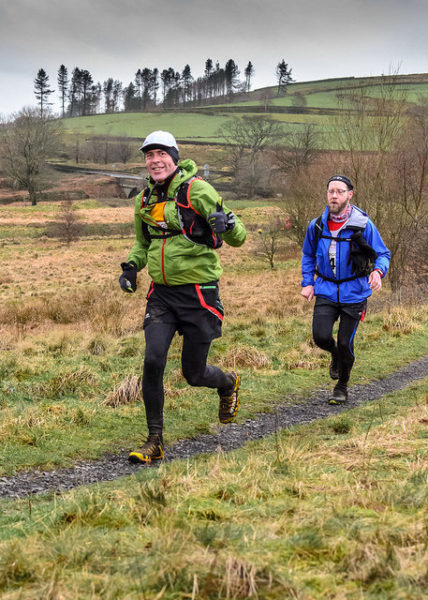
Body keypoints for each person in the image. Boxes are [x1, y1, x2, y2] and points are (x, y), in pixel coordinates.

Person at [118, 130, 247, 463]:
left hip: (198, 294)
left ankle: (227, 383)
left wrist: (226, 224)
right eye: (149, 155)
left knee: (194, 374)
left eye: (161, 154)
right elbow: (143, 243)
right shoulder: (144, 199)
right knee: (152, 361)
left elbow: (238, 235)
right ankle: (154, 440)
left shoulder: (197, 190)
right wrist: (132, 266)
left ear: (174, 158)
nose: (154, 161)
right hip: (161, 296)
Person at [301, 175, 390, 404]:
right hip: (326, 291)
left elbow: (383, 254)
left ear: (350, 194)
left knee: (344, 342)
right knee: (321, 337)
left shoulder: (363, 225)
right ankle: (334, 356)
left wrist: (377, 272)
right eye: (331, 191)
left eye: (340, 191)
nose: (334, 196)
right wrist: (307, 282)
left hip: (355, 292)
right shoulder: (317, 226)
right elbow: (308, 255)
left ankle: (342, 386)